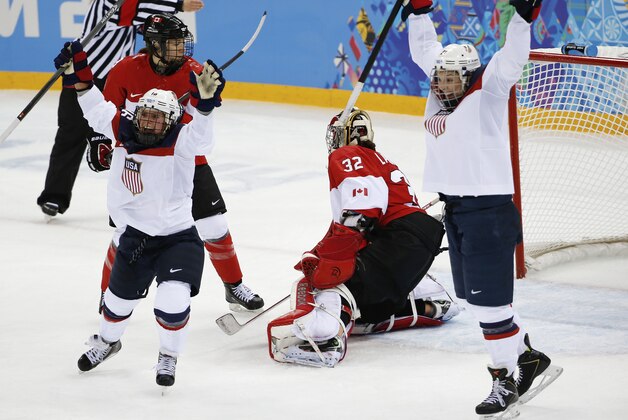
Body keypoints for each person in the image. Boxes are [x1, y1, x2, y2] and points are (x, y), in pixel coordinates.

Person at [404, 0, 563, 417]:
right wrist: (418, 13)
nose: (442, 84)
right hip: (457, 209)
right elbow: (424, 51)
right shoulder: (439, 94)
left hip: (488, 213)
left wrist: (523, 20)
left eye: (452, 78)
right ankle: (527, 357)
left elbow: (511, 59)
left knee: (489, 305)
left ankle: (503, 381)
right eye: (439, 77)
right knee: (479, 301)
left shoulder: (488, 89)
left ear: (470, 76)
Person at [54, 38, 223, 387]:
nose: (148, 123)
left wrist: (204, 106)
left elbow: (203, 138)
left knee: (172, 303)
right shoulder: (121, 130)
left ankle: (168, 356)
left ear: (172, 120)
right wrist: (80, 75)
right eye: (144, 115)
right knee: (115, 305)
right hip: (135, 238)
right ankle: (107, 341)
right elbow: (94, 105)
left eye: (157, 118)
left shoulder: (183, 141)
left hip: (178, 239)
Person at [89, 13, 264, 312]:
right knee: (125, 232)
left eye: (182, 43)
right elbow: (106, 114)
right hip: (140, 164)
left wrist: (205, 102)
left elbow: (200, 129)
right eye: (173, 44)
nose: (181, 50)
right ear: (154, 45)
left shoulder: (196, 73)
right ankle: (109, 293)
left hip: (185, 162)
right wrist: (100, 142)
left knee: (214, 224)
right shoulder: (125, 70)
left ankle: (234, 286)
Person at [267, 108, 459, 368]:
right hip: (417, 241)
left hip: (398, 239)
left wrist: (334, 260)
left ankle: (324, 341)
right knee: (368, 305)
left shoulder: (347, 154)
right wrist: (320, 252)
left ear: (351, 134)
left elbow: (363, 209)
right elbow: (353, 220)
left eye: (336, 134)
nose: (333, 141)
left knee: (331, 284)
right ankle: (431, 300)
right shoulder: (375, 158)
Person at [37, 0, 204, 218]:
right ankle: (54, 196)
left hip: (115, 79)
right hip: (85, 76)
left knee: (128, 135)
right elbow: (139, 9)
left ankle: (135, 195)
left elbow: (150, 23)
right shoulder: (107, 3)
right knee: (70, 134)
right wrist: (179, 4)